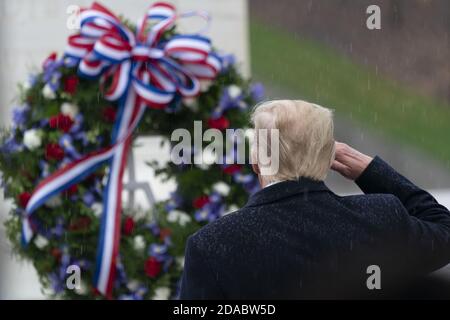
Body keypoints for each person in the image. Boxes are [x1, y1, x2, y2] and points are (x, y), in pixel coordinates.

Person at [179, 99, 450, 299]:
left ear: (256, 162)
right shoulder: (380, 218)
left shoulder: (212, 245)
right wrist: (371, 171)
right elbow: (444, 230)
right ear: (331, 157)